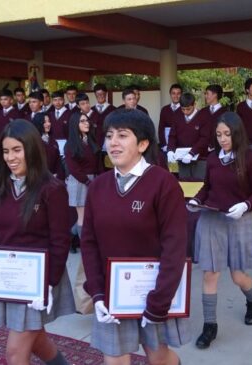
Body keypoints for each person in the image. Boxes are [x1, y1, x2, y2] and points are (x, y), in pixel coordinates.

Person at [80, 108, 190, 365]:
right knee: (115, 358)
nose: (113, 143)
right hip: (112, 297)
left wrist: (159, 302)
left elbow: (174, 246)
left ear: (143, 143)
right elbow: (89, 243)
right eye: (109, 136)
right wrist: (97, 293)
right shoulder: (98, 187)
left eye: (122, 135)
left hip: (153, 293)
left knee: (158, 356)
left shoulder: (164, 184)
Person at [0, 119, 75, 365]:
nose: (10, 157)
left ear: (31, 149)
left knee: (14, 352)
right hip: (9, 279)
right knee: (37, 338)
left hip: (39, 282)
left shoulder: (52, 189)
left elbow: (60, 241)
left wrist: (49, 285)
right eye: (6, 151)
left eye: (17, 150)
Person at [188, 111, 252, 349]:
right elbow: (207, 187)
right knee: (210, 274)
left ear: (237, 133)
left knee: (237, 276)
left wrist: (245, 205)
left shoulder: (250, 159)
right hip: (212, 218)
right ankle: (209, 326)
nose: (222, 139)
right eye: (219, 134)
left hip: (238, 220)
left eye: (227, 134)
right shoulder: (212, 158)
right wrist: (196, 200)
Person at [64, 112, 101, 238]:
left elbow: (98, 162)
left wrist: (98, 180)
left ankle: (69, 236)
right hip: (79, 182)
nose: (86, 123)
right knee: (83, 217)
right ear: (75, 124)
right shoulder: (70, 144)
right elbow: (74, 169)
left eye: (87, 120)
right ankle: (85, 247)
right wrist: (87, 182)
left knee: (90, 215)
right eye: (82, 121)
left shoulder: (91, 140)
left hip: (93, 180)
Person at [167, 92, 211, 180]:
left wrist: (192, 153)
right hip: (181, 158)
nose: (185, 112)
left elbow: (205, 138)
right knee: (183, 182)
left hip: (200, 158)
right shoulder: (177, 115)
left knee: (200, 183)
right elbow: (172, 135)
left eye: (188, 109)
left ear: (194, 104)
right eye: (183, 109)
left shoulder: (203, 116)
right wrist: (170, 150)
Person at [32, 112, 63, 179]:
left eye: (49, 121)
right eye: (45, 122)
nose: (48, 124)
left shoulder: (53, 141)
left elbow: (58, 162)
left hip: (54, 179)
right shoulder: (33, 141)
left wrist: (57, 175)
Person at [200, 84, 227, 150]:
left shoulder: (225, 113)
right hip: (203, 150)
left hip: (221, 149)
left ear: (215, 95)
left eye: (207, 94)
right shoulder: (202, 112)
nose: (205, 96)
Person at [158, 83, 183, 152]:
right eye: (173, 93)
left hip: (181, 145)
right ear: (170, 94)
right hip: (166, 143)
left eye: (178, 93)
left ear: (181, 95)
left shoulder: (185, 109)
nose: (176, 96)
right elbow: (161, 128)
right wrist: (163, 145)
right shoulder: (164, 109)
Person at [92, 83, 116, 151]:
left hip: (109, 142)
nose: (100, 96)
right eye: (98, 94)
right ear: (95, 95)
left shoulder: (113, 110)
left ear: (106, 94)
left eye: (102, 93)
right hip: (94, 143)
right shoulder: (91, 110)